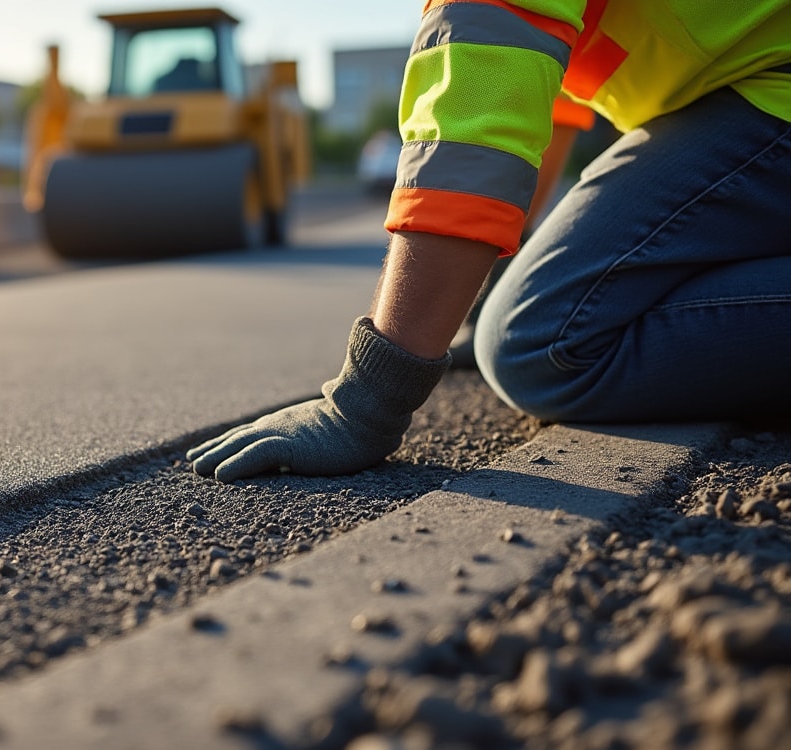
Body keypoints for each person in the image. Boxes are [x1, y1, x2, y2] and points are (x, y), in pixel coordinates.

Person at [189, 1, 791, 483]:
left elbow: (474, 124)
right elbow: (540, 101)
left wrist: (367, 402)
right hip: (747, 91)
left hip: (768, 93)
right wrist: (481, 283)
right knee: (526, 321)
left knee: (543, 343)